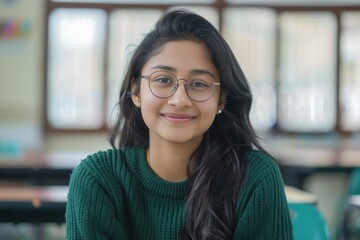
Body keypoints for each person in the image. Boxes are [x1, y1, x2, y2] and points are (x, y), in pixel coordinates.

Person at [65, 9, 293, 240]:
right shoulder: (97, 180)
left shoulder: (255, 178)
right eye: (163, 80)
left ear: (221, 99)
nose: (180, 100)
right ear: (136, 91)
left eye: (199, 84)